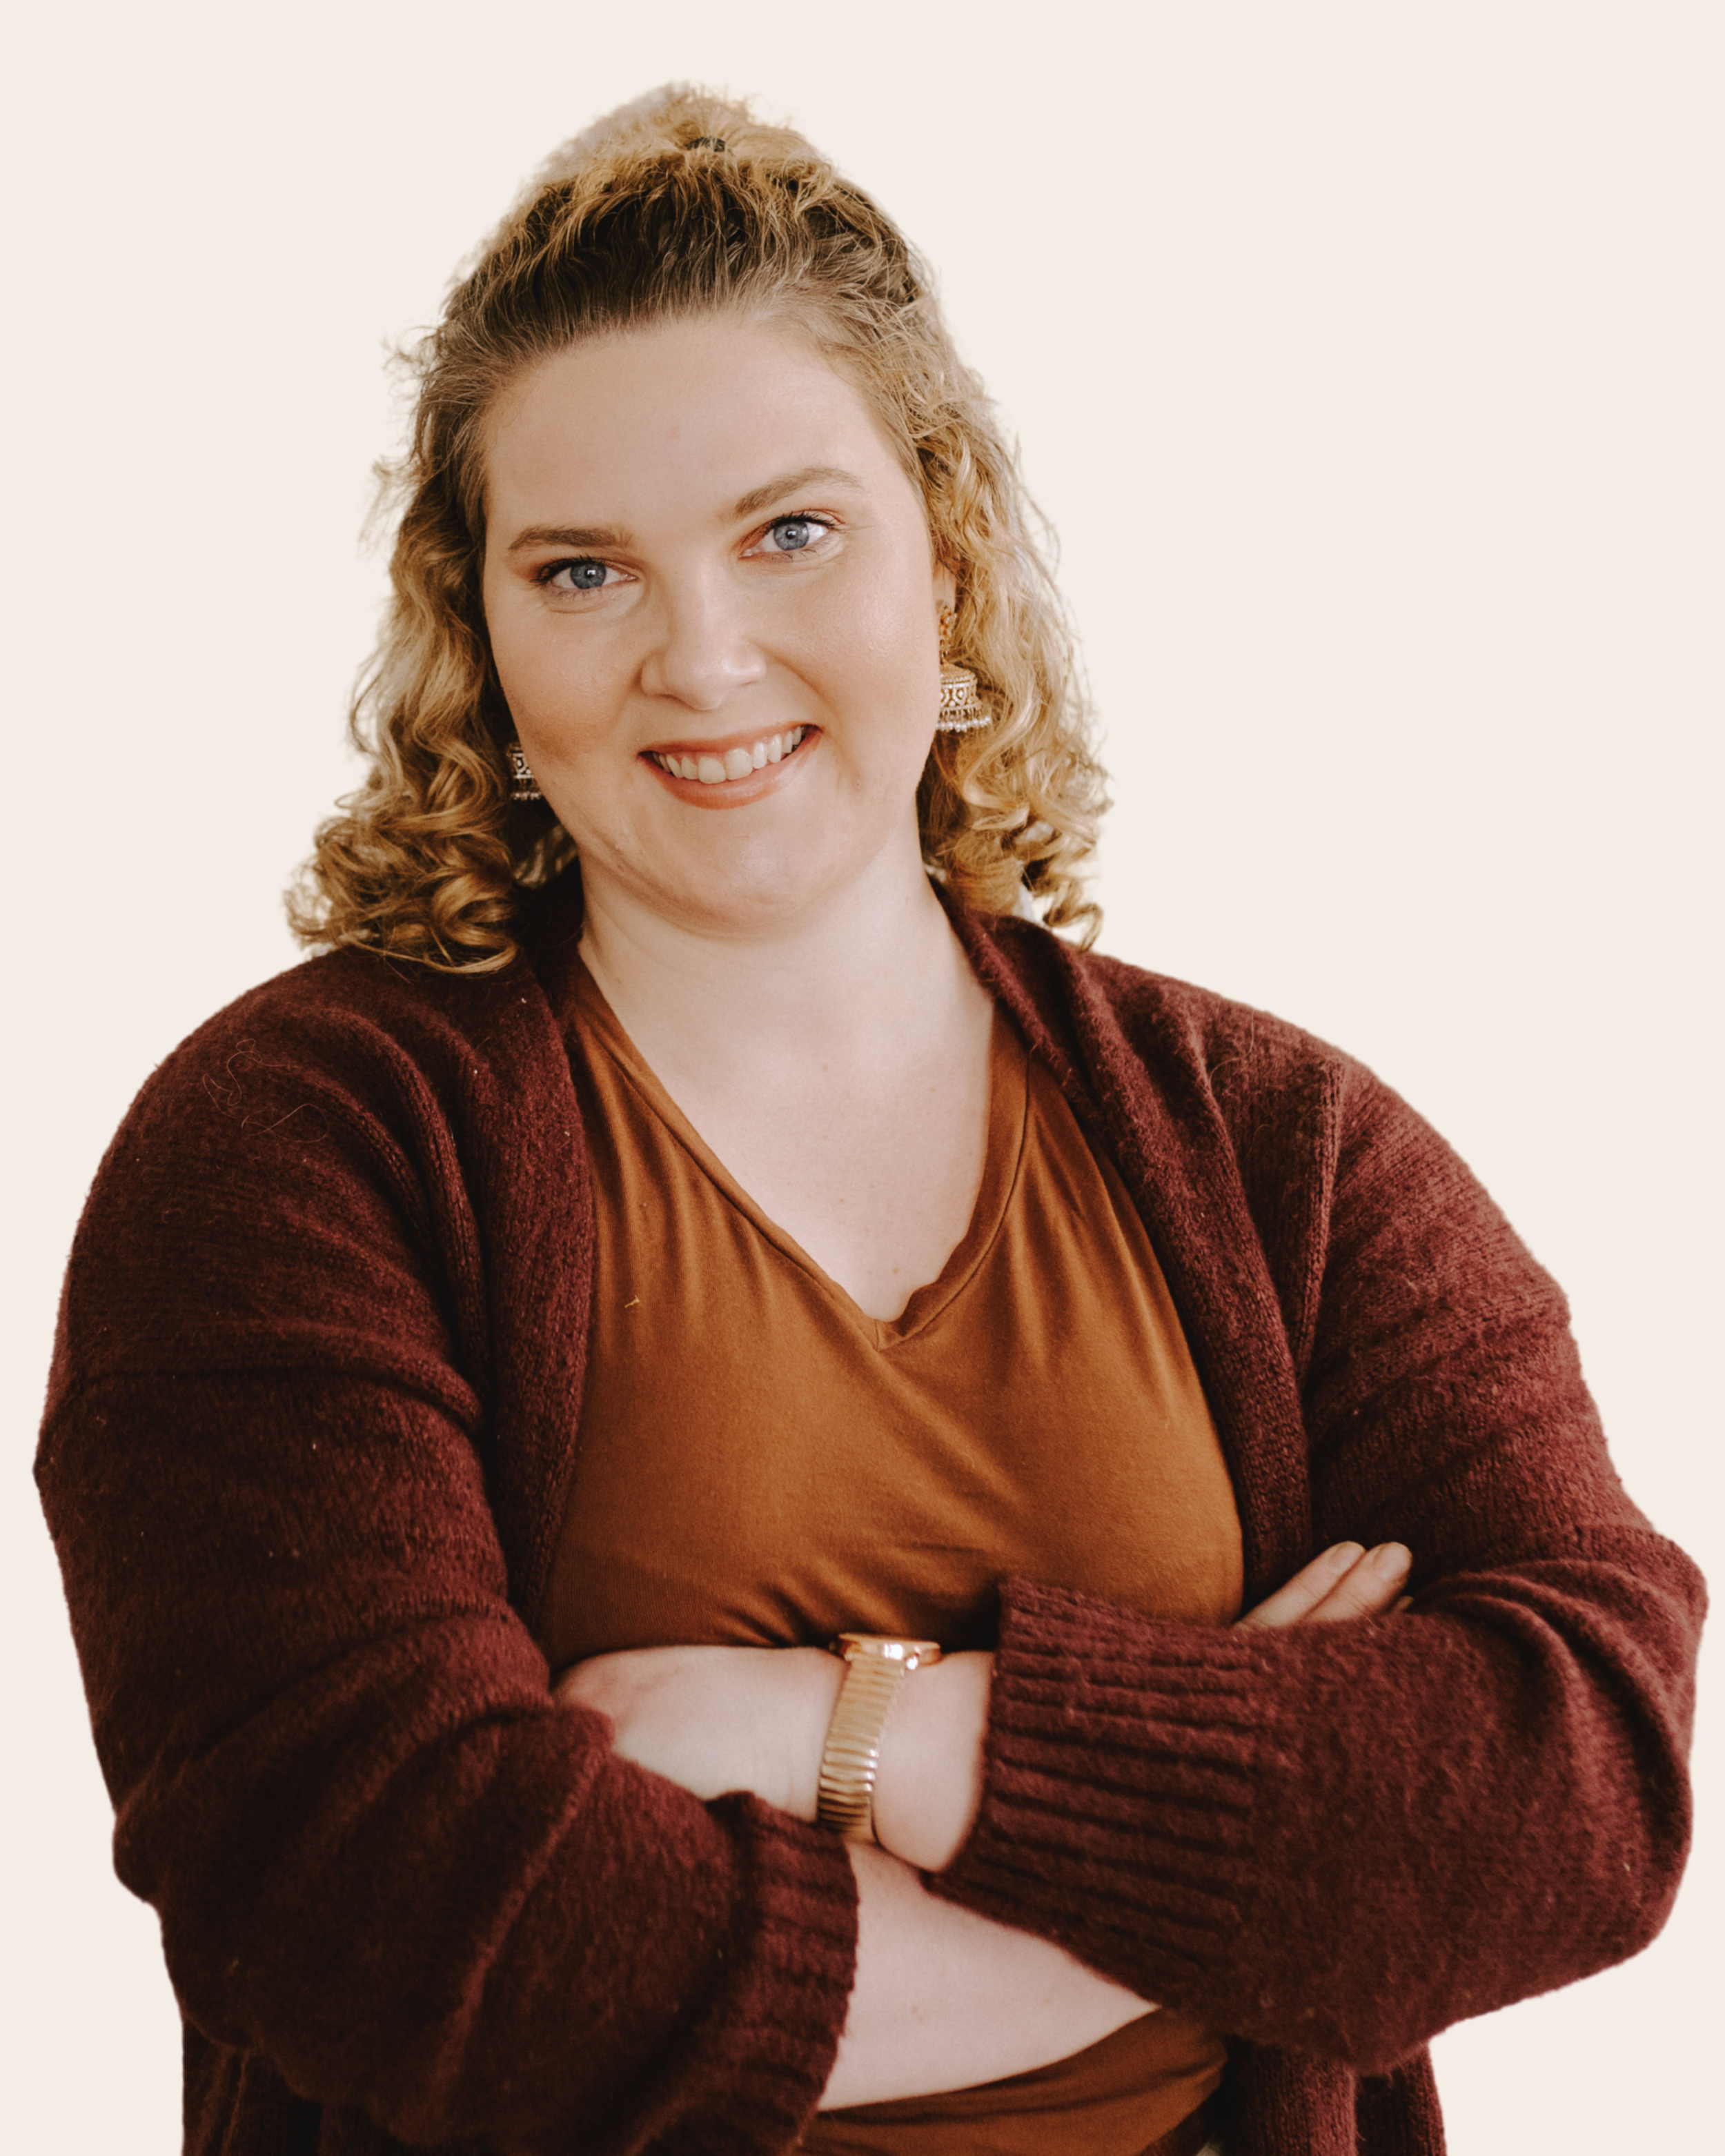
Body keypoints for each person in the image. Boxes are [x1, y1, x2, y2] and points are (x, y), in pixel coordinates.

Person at [35, 83, 1702, 2156]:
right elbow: (400, 1913)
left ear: (948, 541)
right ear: (479, 635)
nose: (702, 656)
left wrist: (857, 1732)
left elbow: (1580, 1781)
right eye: (582, 573)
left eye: (789, 531)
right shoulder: (293, 1150)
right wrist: (1241, 1896)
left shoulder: (1286, 1149)